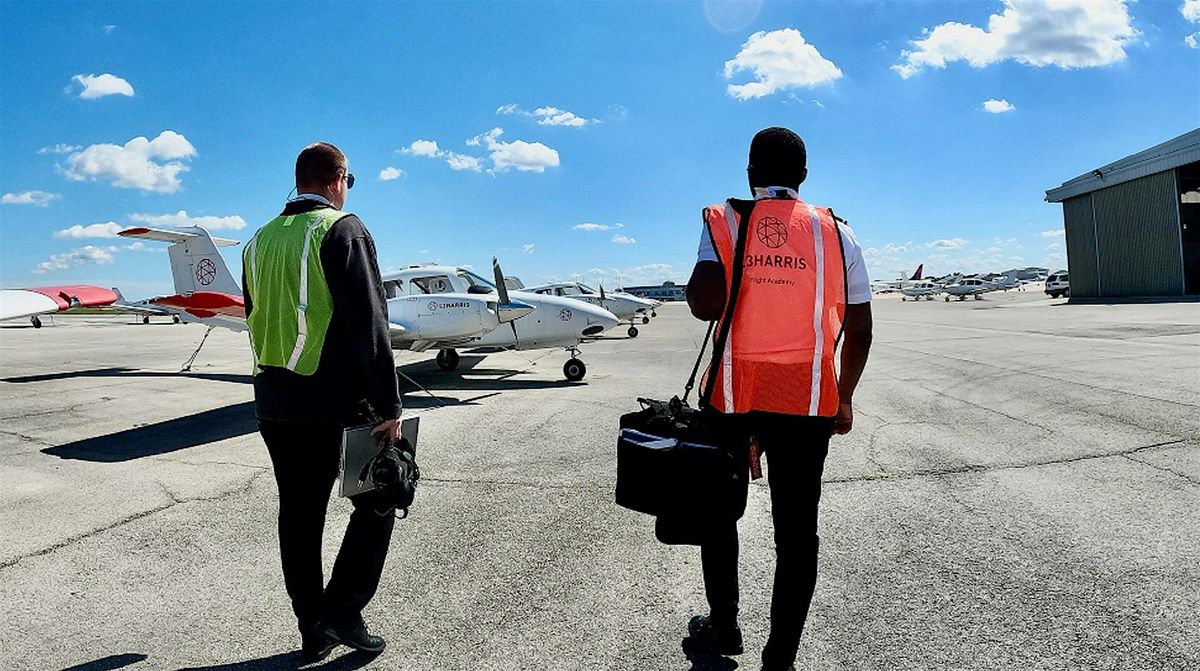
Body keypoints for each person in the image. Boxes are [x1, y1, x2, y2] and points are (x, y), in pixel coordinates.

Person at [684, 127, 873, 671]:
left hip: (734, 394)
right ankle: (780, 657)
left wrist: (724, 255)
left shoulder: (725, 221)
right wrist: (845, 399)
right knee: (796, 531)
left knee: (720, 514)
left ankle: (724, 626)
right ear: (804, 178)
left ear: (749, 174)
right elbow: (859, 328)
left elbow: (703, 304)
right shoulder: (837, 232)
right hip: (806, 396)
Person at [242, 142, 402, 662]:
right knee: (382, 497)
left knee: (300, 514)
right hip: (336, 402)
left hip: (274, 401)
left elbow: (257, 313)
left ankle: (312, 626)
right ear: (339, 180)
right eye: (349, 182)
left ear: (298, 179)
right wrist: (389, 407)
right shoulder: (341, 229)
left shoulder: (257, 241)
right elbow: (370, 322)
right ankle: (344, 611)